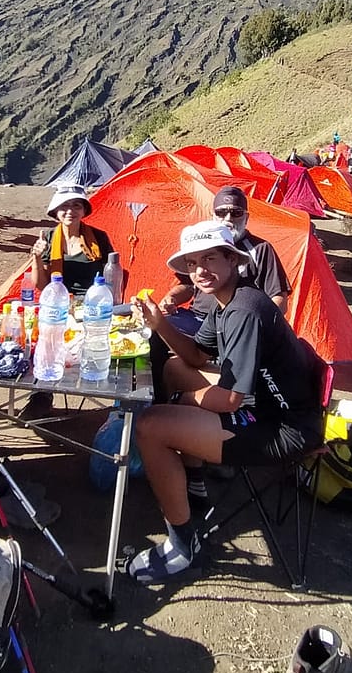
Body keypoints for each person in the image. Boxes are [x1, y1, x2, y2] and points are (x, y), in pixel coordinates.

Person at [125, 222, 323, 583]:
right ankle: (194, 481)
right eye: (193, 262)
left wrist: (182, 400)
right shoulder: (226, 301)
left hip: (282, 428)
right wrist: (159, 325)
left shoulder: (244, 311)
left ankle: (183, 548)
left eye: (211, 258)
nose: (201, 270)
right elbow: (197, 357)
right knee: (174, 368)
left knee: (150, 426)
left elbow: (230, 400)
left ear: (233, 260)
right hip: (264, 407)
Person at [159, 186, 290, 332]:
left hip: (236, 322)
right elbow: (189, 285)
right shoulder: (200, 244)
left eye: (236, 213)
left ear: (246, 218)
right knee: (152, 326)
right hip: (197, 318)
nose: (228, 218)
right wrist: (171, 298)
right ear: (212, 216)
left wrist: (256, 326)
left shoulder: (260, 248)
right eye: (221, 213)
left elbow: (279, 298)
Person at [30, 185, 114, 295]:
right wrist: (36, 258)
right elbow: (42, 286)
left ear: (84, 211)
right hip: (59, 300)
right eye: (64, 205)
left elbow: (111, 277)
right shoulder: (48, 237)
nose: (70, 211)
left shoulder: (99, 237)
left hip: (93, 301)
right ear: (56, 211)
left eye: (77, 206)